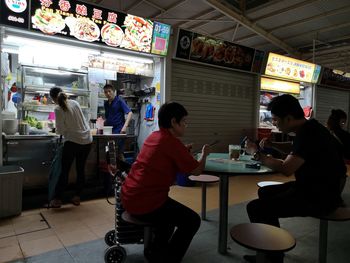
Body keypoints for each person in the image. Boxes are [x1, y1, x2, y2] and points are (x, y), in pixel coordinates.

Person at [244, 94, 346, 263]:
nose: (274, 123)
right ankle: (273, 250)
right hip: (321, 189)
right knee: (265, 192)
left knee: (255, 208)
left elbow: (286, 169)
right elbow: (296, 148)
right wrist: (273, 145)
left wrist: (256, 153)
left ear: (289, 118)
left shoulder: (308, 134)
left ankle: (273, 257)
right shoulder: (311, 127)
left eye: (276, 120)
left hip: (319, 198)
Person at [121, 102, 211, 263]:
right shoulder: (172, 143)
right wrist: (204, 155)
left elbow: (167, 155)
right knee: (192, 221)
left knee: (168, 219)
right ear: (173, 122)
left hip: (130, 195)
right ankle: (170, 259)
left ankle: (155, 252)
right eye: (183, 121)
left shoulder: (155, 136)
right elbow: (196, 171)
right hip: (146, 202)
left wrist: (182, 151)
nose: (186, 125)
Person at [49, 87, 92, 208]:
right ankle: (77, 197)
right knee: (80, 169)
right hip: (87, 140)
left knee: (64, 170)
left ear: (53, 98)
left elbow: (60, 131)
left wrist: (56, 129)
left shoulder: (57, 109)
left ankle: (57, 199)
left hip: (73, 141)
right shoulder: (75, 102)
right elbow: (81, 121)